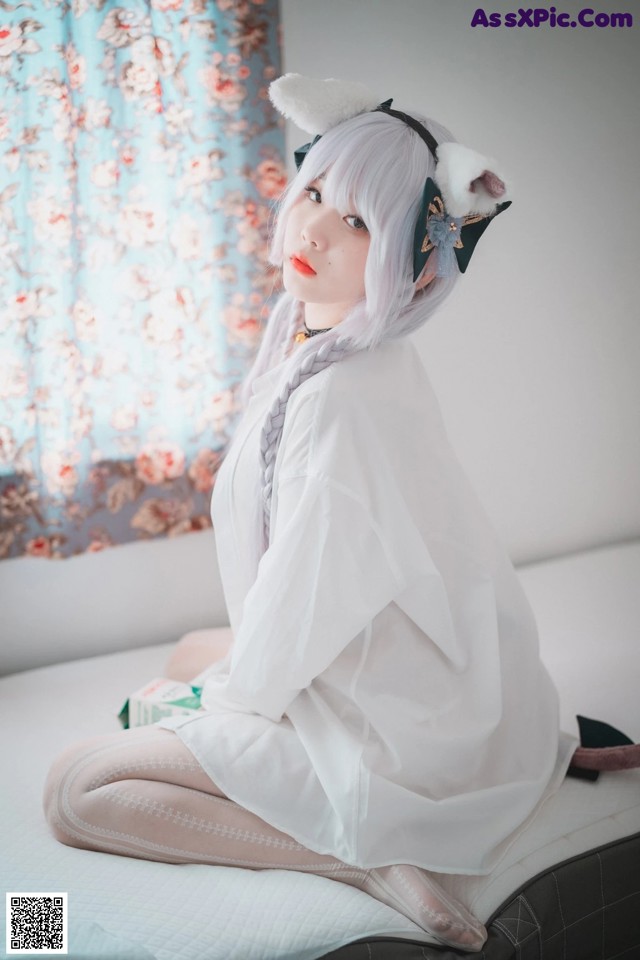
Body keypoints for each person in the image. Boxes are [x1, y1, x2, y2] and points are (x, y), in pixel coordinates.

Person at [43, 74, 576, 952]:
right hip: (409, 675)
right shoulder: (328, 343)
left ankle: (366, 859)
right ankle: (359, 827)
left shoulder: (342, 396)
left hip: (386, 725)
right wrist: (206, 692)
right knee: (181, 660)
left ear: (413, 255)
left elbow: (304, 591)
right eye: (317, 191)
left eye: (360, 221)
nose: (315, 227)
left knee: (78, 789)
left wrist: (226, 710)